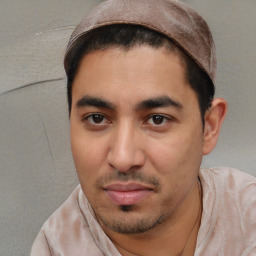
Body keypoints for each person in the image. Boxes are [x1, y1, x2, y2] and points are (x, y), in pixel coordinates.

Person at [31, 0, 256, 255]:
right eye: (96, 118)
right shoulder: (56, 247)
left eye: (157, 119)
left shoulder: (248, 219)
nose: (123, 159)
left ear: (209, 128)